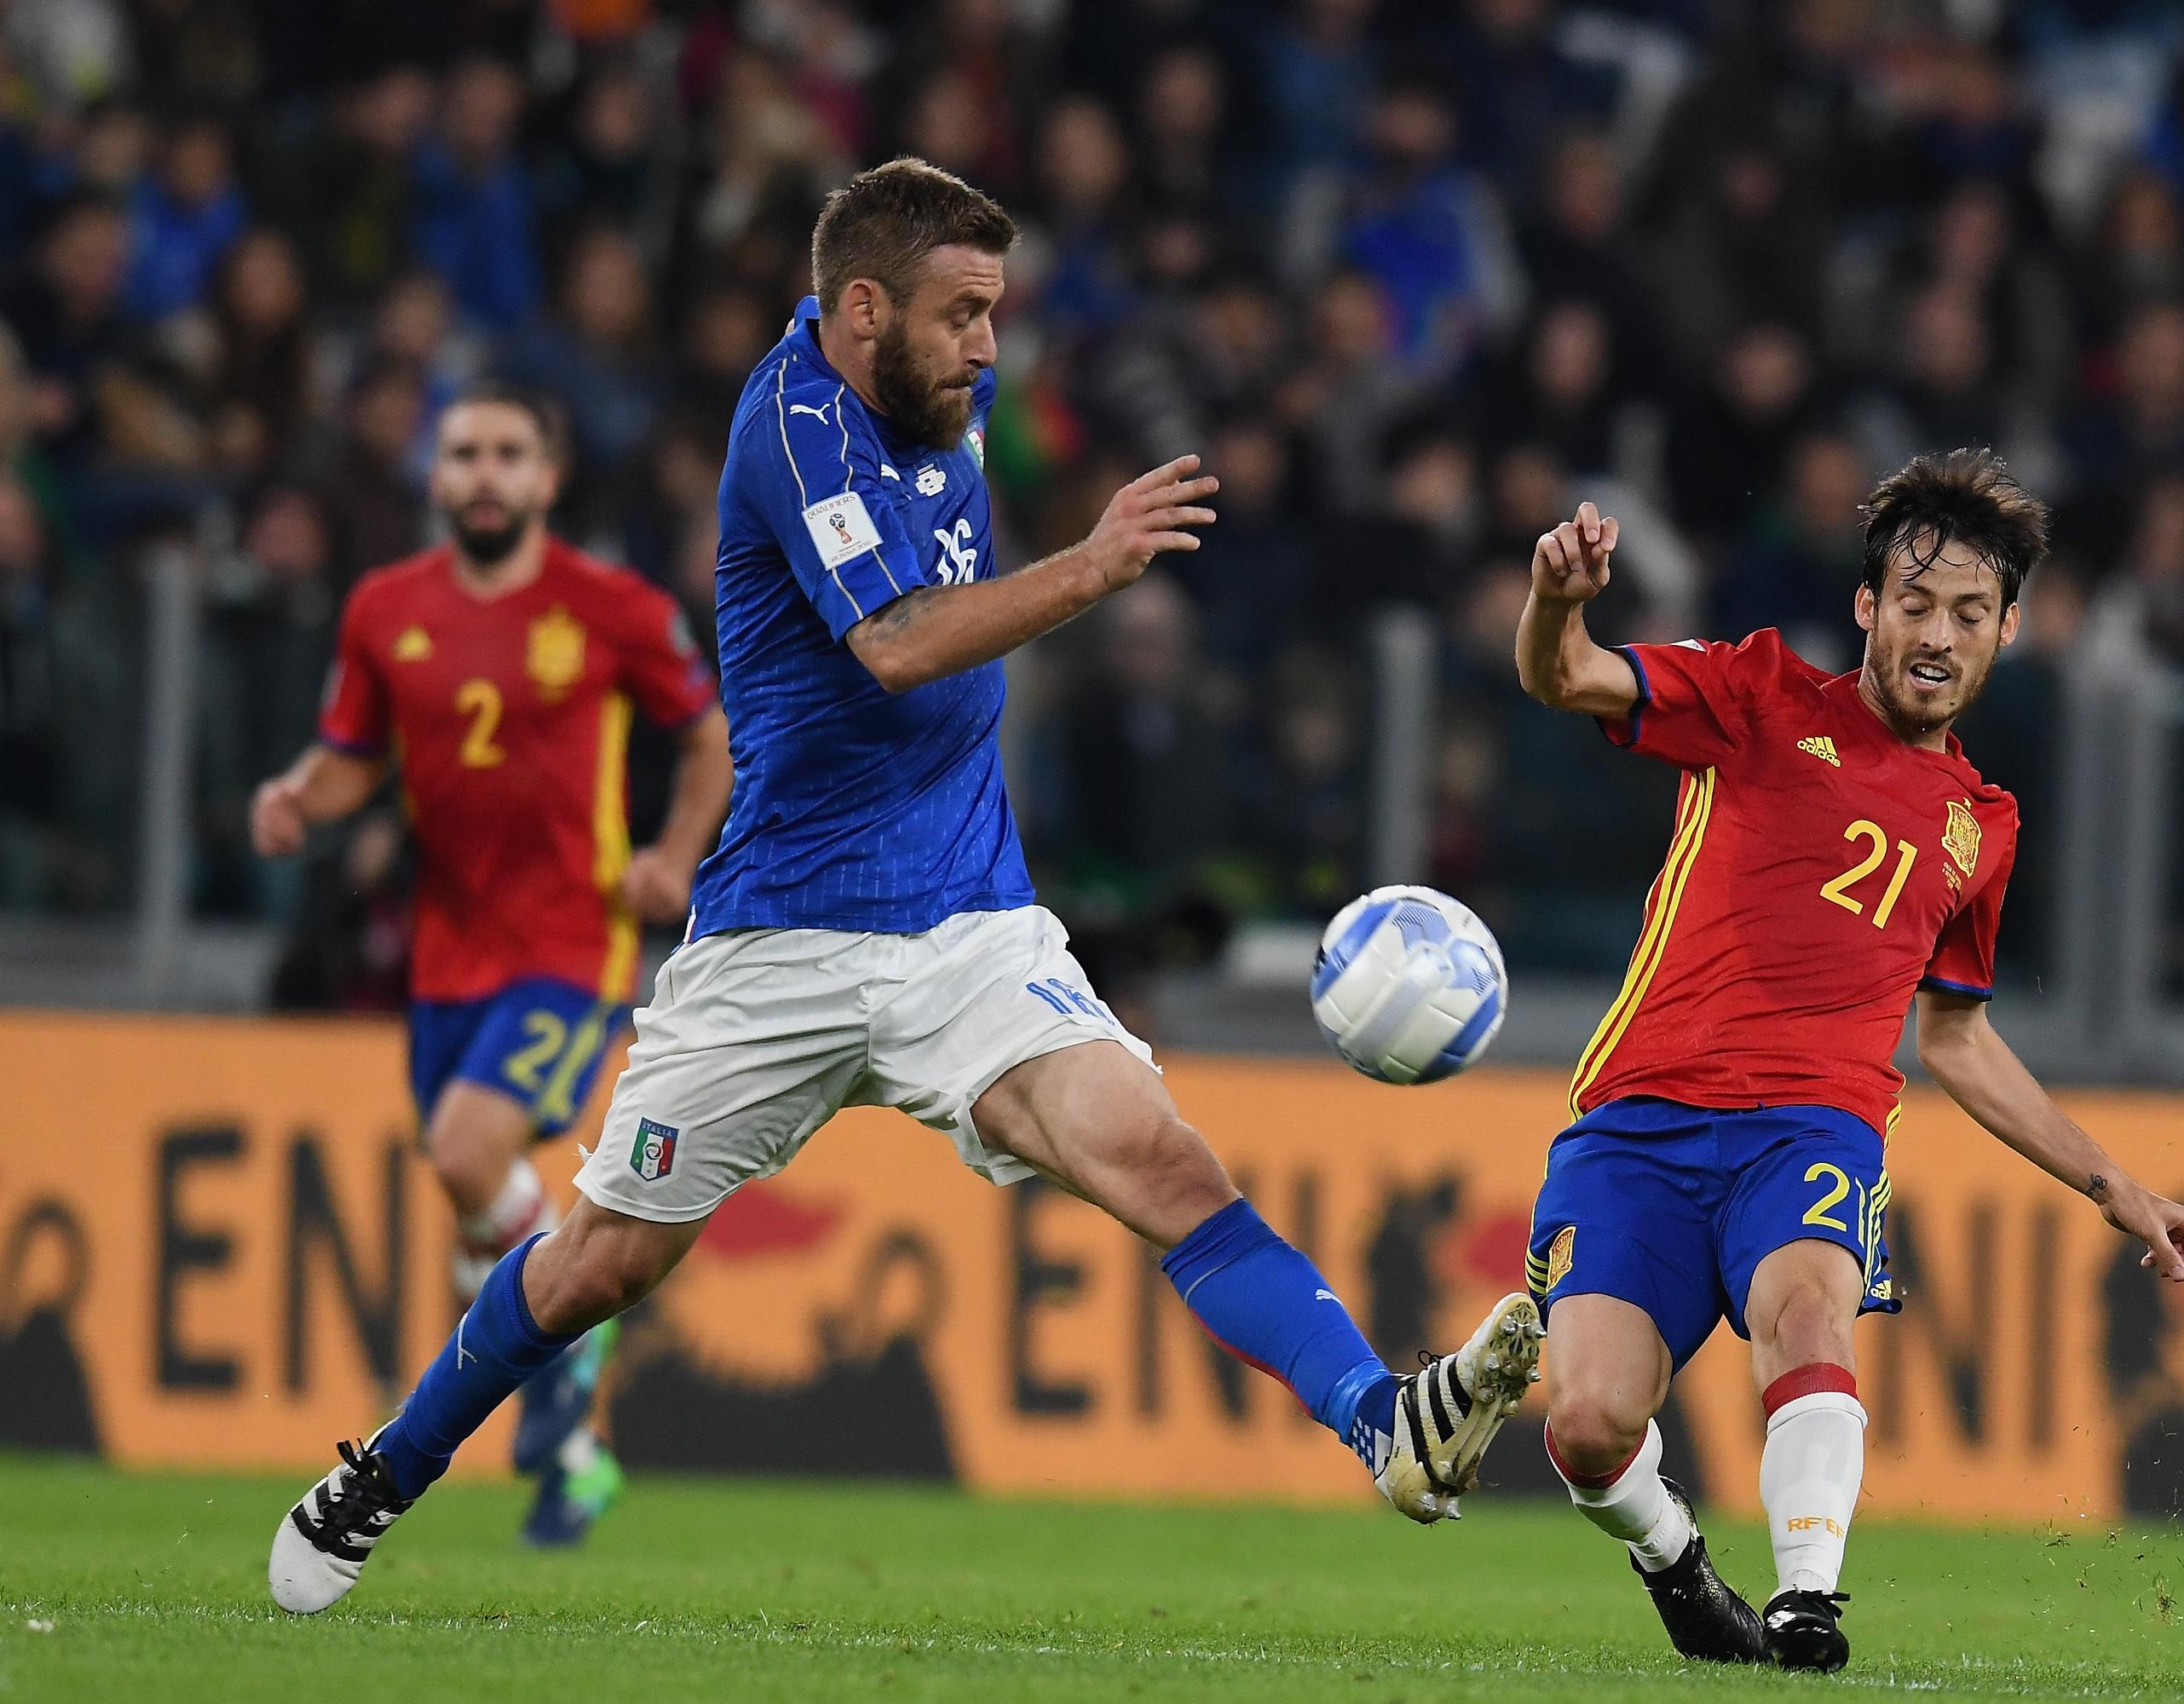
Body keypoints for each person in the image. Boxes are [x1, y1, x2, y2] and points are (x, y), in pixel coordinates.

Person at [268, 158, 1541, 1615]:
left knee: (1162, 1161)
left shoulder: (947, 395)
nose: (989, 348)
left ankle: (1384, 1423)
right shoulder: (792, 426)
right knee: (596, 1267)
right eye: (962, 315)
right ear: (859, 309)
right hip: (779, 938)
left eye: (996, 314)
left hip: (965, 924)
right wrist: (1096, 564)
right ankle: (384, 1471)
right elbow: (895, 643)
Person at [1513, 453, 2184, 1672]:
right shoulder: (1756, 696)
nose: (1936, 634)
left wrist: (2118, 1188)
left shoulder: (1981, 827)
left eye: (1966, 612)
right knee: (1585, 1424)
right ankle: (1675, 1562)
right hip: (1637, 1126)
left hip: (1812, 1130)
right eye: (1913, 603)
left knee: (1807, 1310)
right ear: (1866, 608)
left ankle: (1806, 1606)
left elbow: (1954, 1036)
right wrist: (1555, 599)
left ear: (2010, 628)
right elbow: (1563, 676)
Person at [250, 381, 734, 1546]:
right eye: (463, 451)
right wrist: (296, 799)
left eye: (508, 452)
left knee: (467, 1150)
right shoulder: (384, 609)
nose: (482, 473)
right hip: (445, 954)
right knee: (473, 1204)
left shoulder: (609, 607)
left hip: (572, 944)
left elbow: (708, 733)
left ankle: (574, 1325)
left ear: (546, 478)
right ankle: (571, 1438)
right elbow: (353, 755)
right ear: (435, 472)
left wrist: (673, 856)